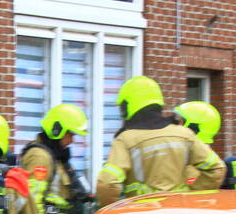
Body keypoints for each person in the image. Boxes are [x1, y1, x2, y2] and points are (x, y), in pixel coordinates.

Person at [96, 76, 225, 206]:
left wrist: (111, 212)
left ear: (127, 106)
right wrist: (189, 194)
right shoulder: (184, 134)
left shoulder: (125, 139)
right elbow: (216, 169)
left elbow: (107, 183)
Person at [174, 101, 236, 190]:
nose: (173, 126)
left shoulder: (195, 168)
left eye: (179, 122)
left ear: (193, 128)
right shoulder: (201, 159)